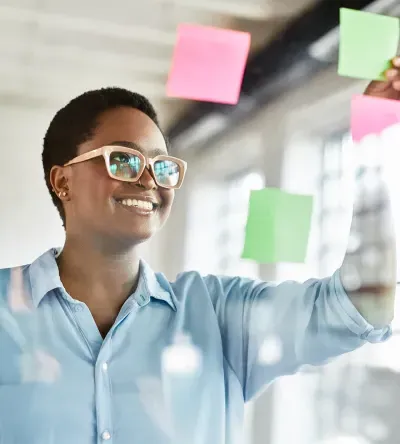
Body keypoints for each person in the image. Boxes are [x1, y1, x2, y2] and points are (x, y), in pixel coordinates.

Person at [0, 59, 399, 444]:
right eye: (123, 160)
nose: (148, 180)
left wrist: (377, 139)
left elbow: (360, 307)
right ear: (62, 181)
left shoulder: (218, 317)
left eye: (162, 167)